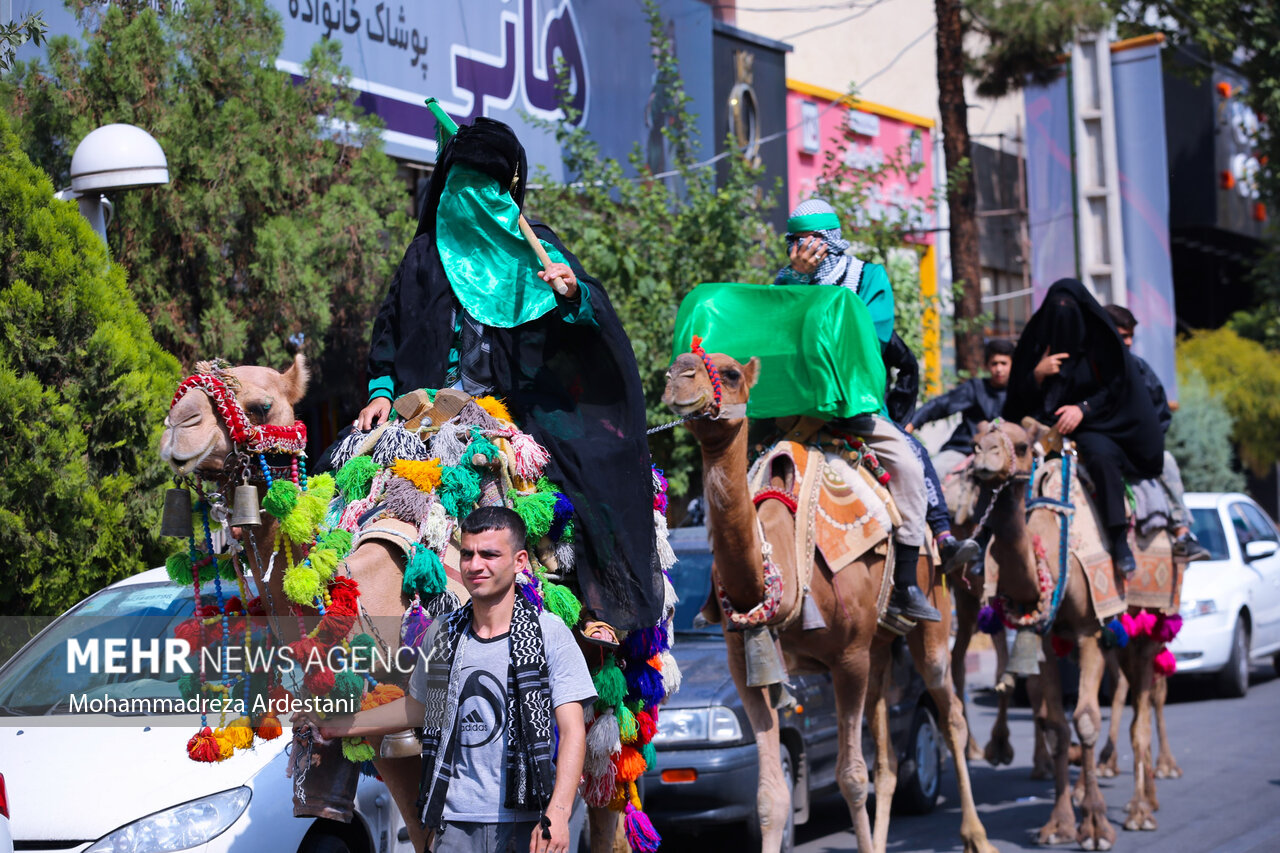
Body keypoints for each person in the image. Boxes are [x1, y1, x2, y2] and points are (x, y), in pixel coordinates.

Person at [353, 117, 662, 640]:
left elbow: (593, 330)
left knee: (585, 490)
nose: (475, 193)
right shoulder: (425, 254)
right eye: (465, 178)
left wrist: (572, 296)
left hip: (518, 421)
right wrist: (381, 392)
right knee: (344, 497)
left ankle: (594, 619)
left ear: (510, 189)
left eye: (489, 182)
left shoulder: (537, 246)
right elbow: (389, 331)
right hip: (424, 416)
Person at [299, 507, 595, 853]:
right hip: (452, 824)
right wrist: (336, 726)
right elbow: (418, 709)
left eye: (490, 554)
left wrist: (558, 813)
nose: (475, 565)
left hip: (527, 822)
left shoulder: (549, 634)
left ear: (519, 561)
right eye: (468, 553)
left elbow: (574, 731)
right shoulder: (443, 633)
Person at [1004, 280, 1165, 574]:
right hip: (1041, 426)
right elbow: (1016, 399)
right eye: (1056, 311)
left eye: (1069, 310)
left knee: (1102, 457)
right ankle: (989, 543)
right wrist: (1036, 376)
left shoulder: (1101, 345)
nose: (1062, 318)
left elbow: (1116, 387)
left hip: (1095, 424)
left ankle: (1118, 541)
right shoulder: (1037, 343)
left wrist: (1083, 409)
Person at [775, 198, 919, 425]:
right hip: (796, 403)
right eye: (796, 241)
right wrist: (798, 277)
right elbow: (777, 332)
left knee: (909, 461)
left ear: (830, 238)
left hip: (857, 403)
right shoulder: (786, 281)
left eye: (812, 240)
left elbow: (870, 340)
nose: (804, 250)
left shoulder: (869, 277)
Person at [1103, 304, 1209, 562]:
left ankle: (1183, 533)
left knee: (1167, 461)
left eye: (1130, 336)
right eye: (1122, 335)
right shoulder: (1090, 368)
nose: (1127, 342)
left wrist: (1145, 440)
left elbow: (1161, 412)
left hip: (1136, 452)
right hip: (1101, 451)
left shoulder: (1139, 369)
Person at [907, 338, 1014, 476]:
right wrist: (912, 422)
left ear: (1013, 365)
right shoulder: (975, 388)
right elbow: (941, 405)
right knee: (930, 475)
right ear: (987, 365)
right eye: (994, 363)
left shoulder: (1018, 394)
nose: (999, 369)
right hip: (963, 451)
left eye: (1004, 363)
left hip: (1003, 456)